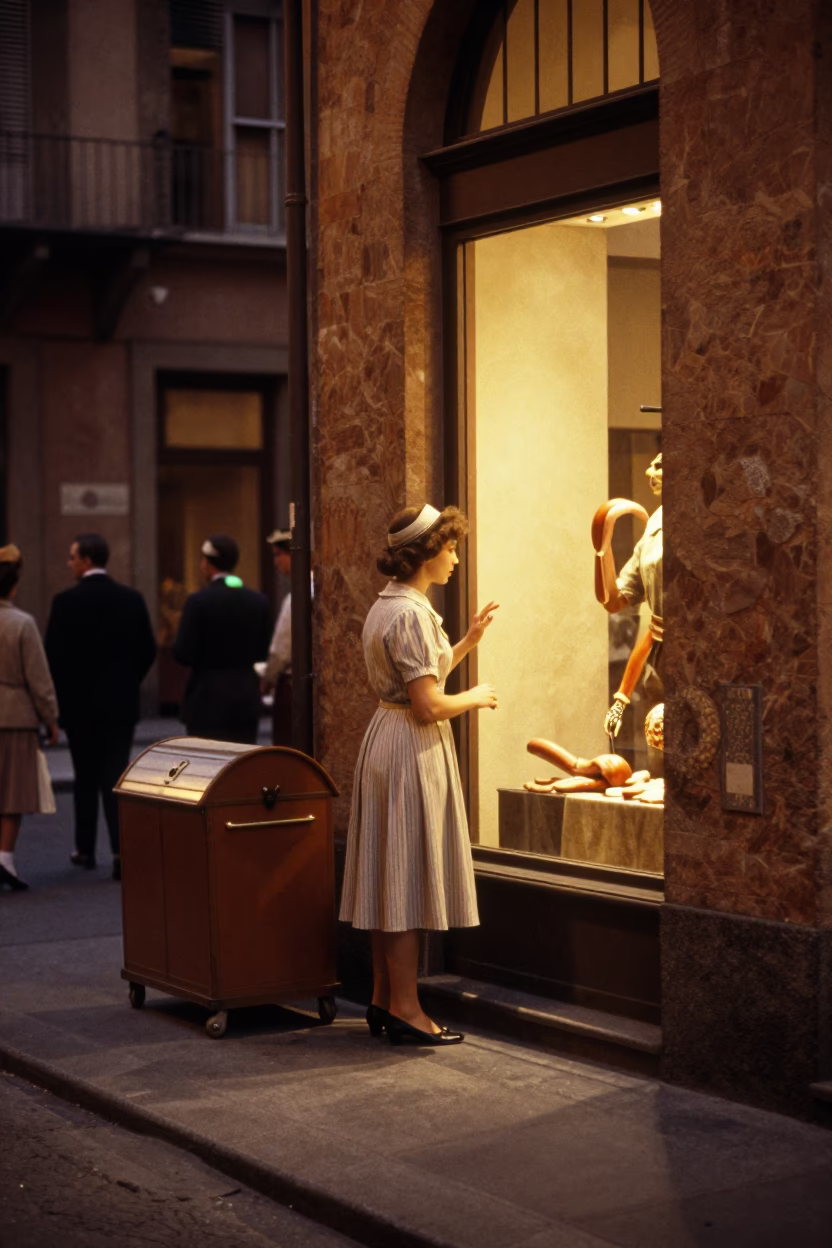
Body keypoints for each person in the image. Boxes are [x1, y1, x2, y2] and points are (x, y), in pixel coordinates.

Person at [339, 504, 499, 1046]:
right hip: (410, 745)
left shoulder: (389, 605)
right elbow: (428, 704)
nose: (455, 558)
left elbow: (416, 677)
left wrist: (466, 643)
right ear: (427, 552)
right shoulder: (411, 613)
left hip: (388, 739)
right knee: (404, 880)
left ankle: (384, 999)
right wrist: (474, 697)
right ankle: (407, 1008)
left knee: (390, 879)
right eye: (451, 548)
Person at [45, 533, 157, 880]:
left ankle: (85, 849)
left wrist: (62, 699)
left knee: (85, 779)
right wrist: (127, 682)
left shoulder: (65, 603)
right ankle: (120, 849)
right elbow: (148, 649)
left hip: (79, 707)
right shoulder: (131, 599)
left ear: (86, 560)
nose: (69, 563)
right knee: (115, 775)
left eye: (72, 557)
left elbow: (54, 657)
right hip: (119, 704)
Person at [0, 545, 60, 891]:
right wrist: (50, 717)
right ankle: (5, 857)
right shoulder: (22, 623)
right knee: (13, 790)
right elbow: (39, 679)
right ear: (13, 586)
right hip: (16, 714)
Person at [174, 535, 271, 744]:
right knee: (241, 764)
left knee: (207, 766)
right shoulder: (258, 602)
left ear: (207, 565)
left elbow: (182, 652)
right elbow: (264, 651)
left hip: (205, 697)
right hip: (245, 695)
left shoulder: (197, 602)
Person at [261, 528, 292, 746]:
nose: (275, 562)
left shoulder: (295, 597)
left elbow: (281, 649)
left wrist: (268, 678)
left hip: (291, 684)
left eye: (278, 555)